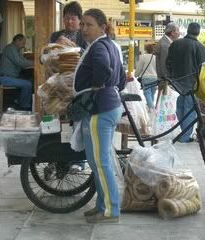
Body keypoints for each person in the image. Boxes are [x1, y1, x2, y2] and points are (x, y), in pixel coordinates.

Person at [74, 8, 126, 223]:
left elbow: (103, 68)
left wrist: (98, 86)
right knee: (96, 162)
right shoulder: (110, 45)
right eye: (83, 24)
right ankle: (101, 205)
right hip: (108, 106)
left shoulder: (99, 48)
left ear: (102, 27)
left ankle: (111, 211)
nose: (84, 29)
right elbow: (121, 78)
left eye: (89, 25)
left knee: (101, 162)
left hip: (100, 109)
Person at [166, 22, 205, 143]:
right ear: (198, 32)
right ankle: (185, 136)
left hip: (177, 82)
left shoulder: (175, 44)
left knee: (180, 106)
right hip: (192, 82)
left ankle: (182, 131)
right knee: (189, 109)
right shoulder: (199, 47)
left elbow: (168, 62)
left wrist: (172, 76)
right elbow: (203, 67)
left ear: (187, 30)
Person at [0, 34, 33, 110]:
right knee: (28, 84)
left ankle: (18, 101)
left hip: (10, 77)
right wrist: (35, 63)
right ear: (17, 41)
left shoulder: (16, 50)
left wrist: (31, 62)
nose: (24, 45)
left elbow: (23, 61)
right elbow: (20, 62)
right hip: (5, 78)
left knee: (29, 80)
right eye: (23, 43)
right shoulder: (11, 48)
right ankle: (24, 107)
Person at [155, 22, 180, 94]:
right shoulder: (165, 45)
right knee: (165, 102)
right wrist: (168, 80)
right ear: (172, 33)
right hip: (166, 81)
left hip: (166, 80)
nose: (179, 33)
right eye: (178, 31)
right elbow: (164, 63)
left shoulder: (166, 42)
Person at [135, 43, 157, 110]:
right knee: (152, 93)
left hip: (146, 77)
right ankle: (151, 106)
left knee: (147, 93)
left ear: (146, 49)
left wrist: (136, 75)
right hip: (155, 77)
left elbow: (139, 68)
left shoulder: (143, 57)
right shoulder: (156, 58)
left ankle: (151, 107)